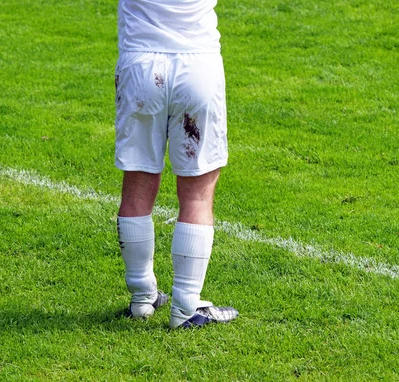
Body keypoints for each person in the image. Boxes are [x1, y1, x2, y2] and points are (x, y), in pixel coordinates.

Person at [114, 0, 238, 329]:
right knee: (197, 192)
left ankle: (142, 298)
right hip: (197, 65)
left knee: (138, 182)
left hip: (140, 65)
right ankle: (185, 307)